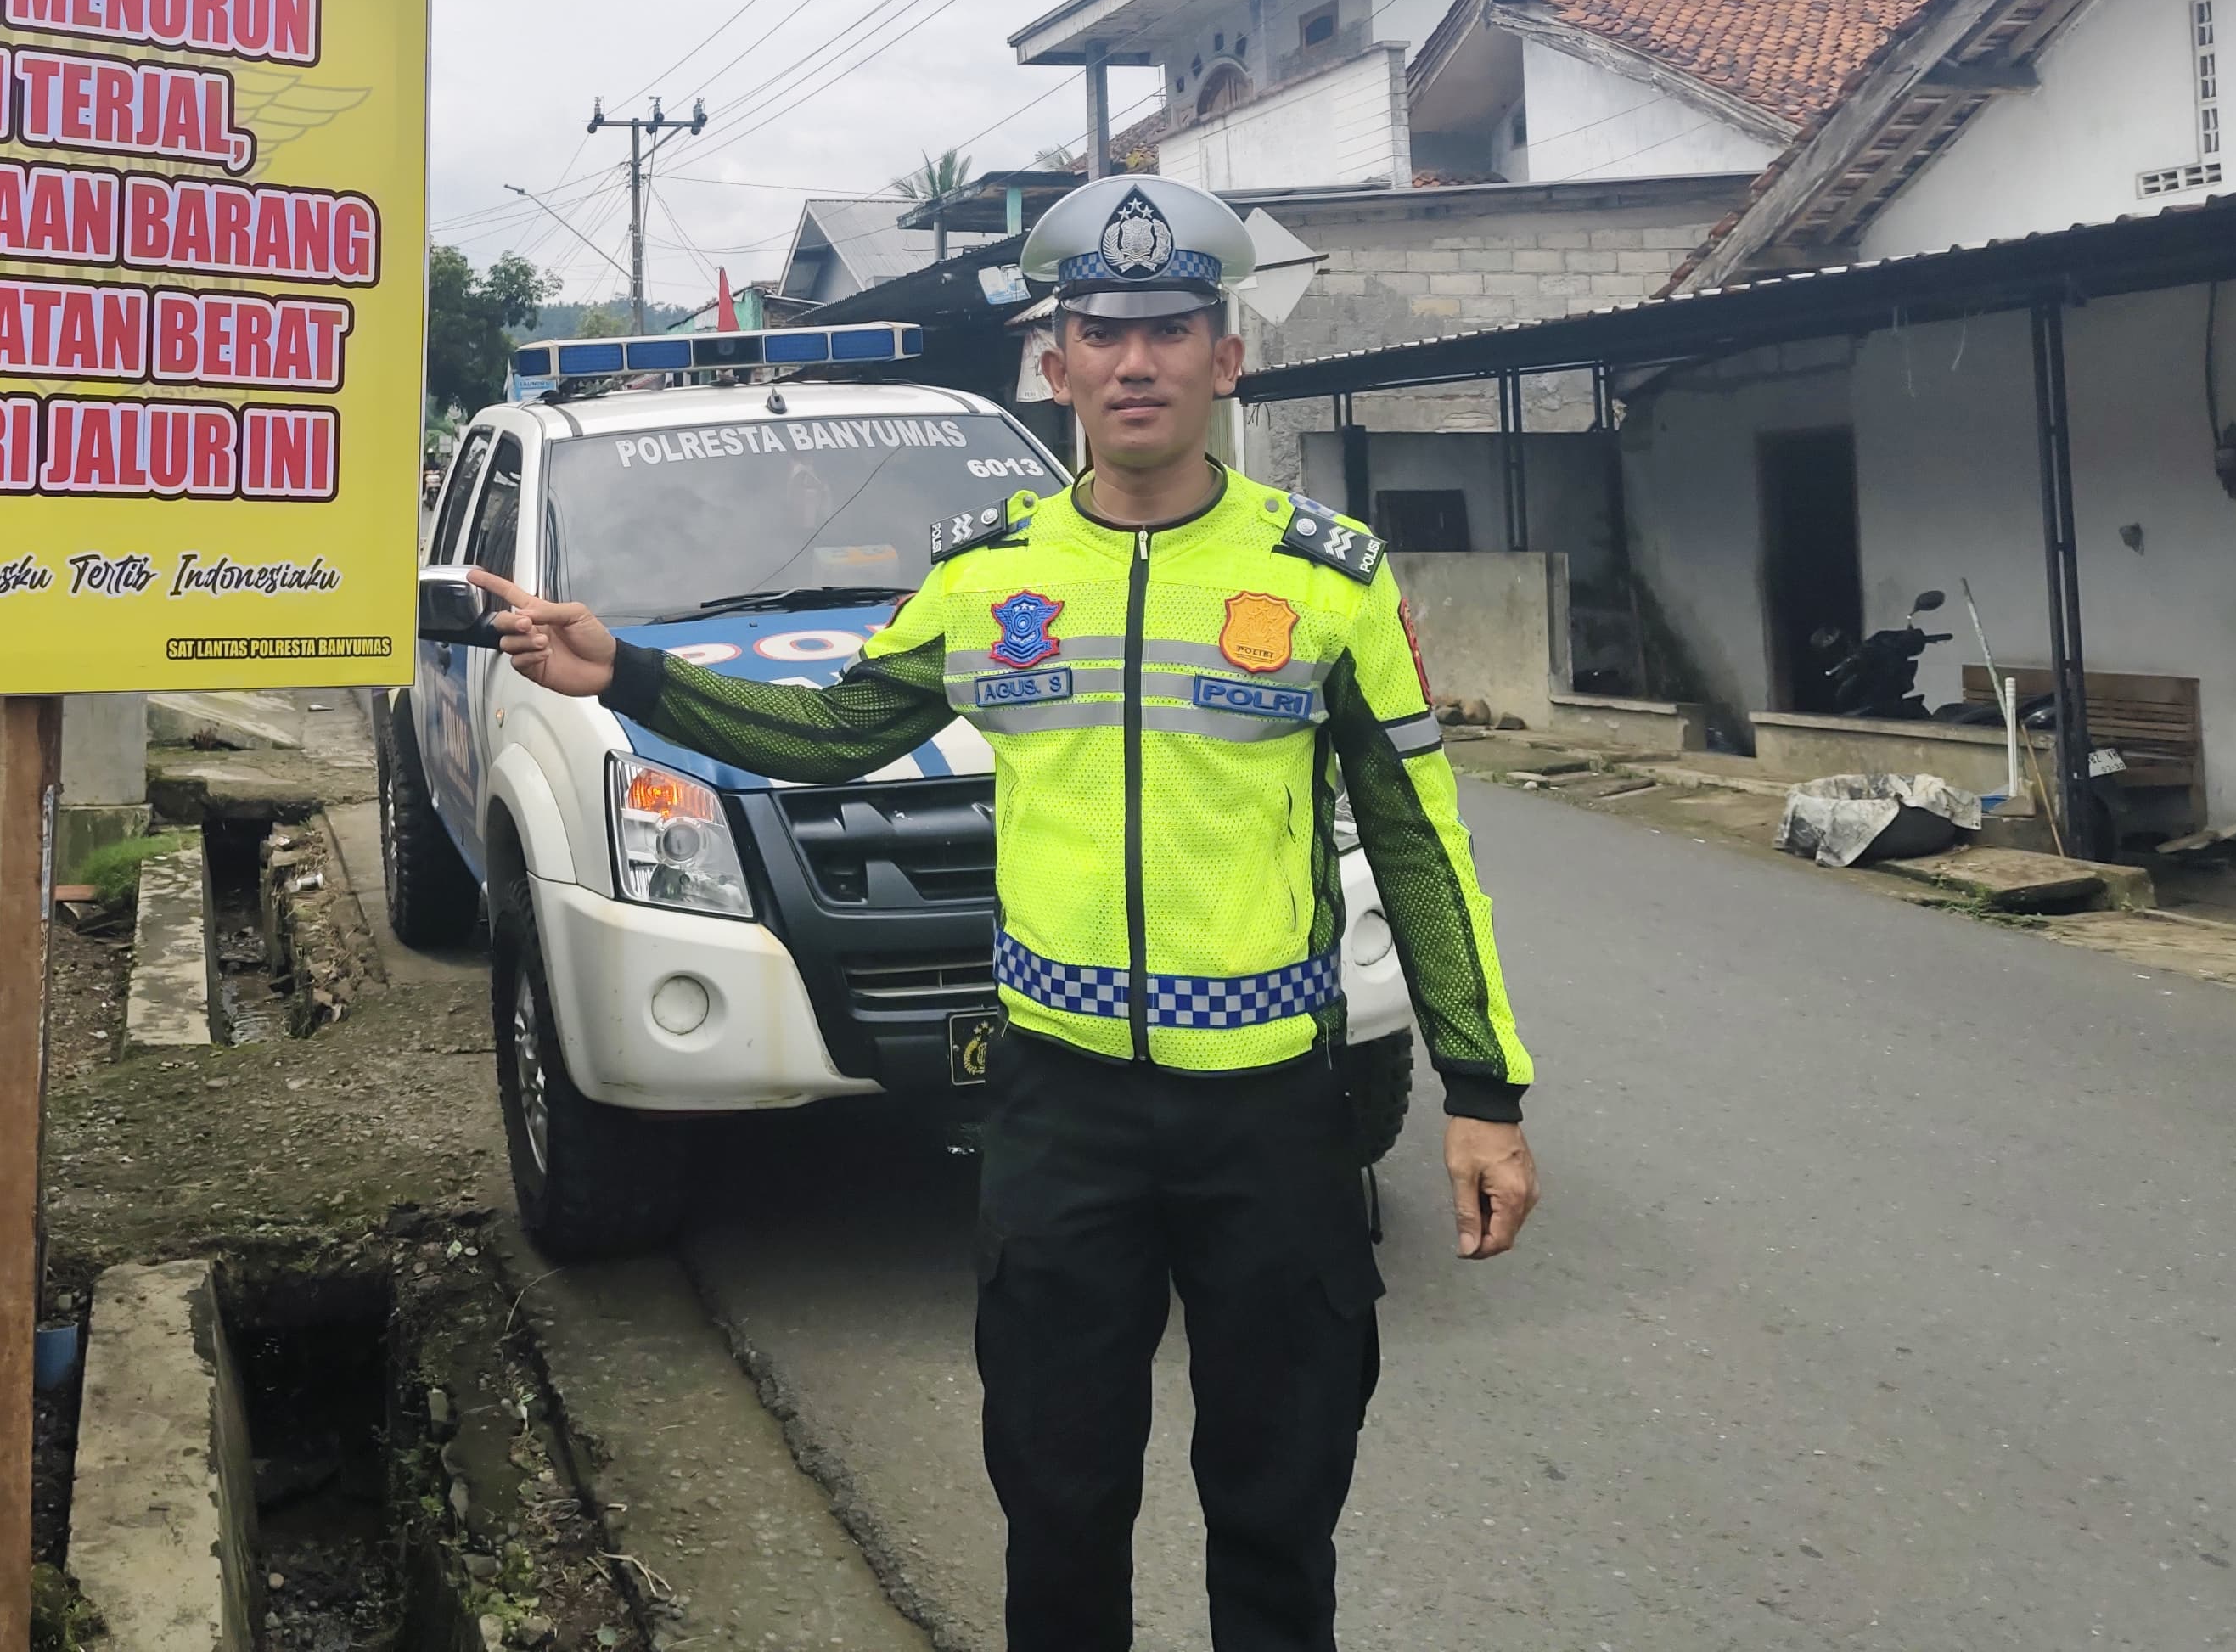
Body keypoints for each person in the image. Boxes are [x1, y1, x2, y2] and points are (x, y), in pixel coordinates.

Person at [474, 172, 1537, 1652]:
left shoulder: (1327, 582)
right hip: (1061, 1117)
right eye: (1103, 331)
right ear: (1060, 364)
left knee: (1280, 1506)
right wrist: (634, 675)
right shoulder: (989, 580)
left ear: (1227, 356)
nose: (1137, 361)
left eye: (1171, 329)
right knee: (1057, 1502)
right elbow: (833, 731)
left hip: (1272, 1118)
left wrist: (1481, 1093)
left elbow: (1421, 847)